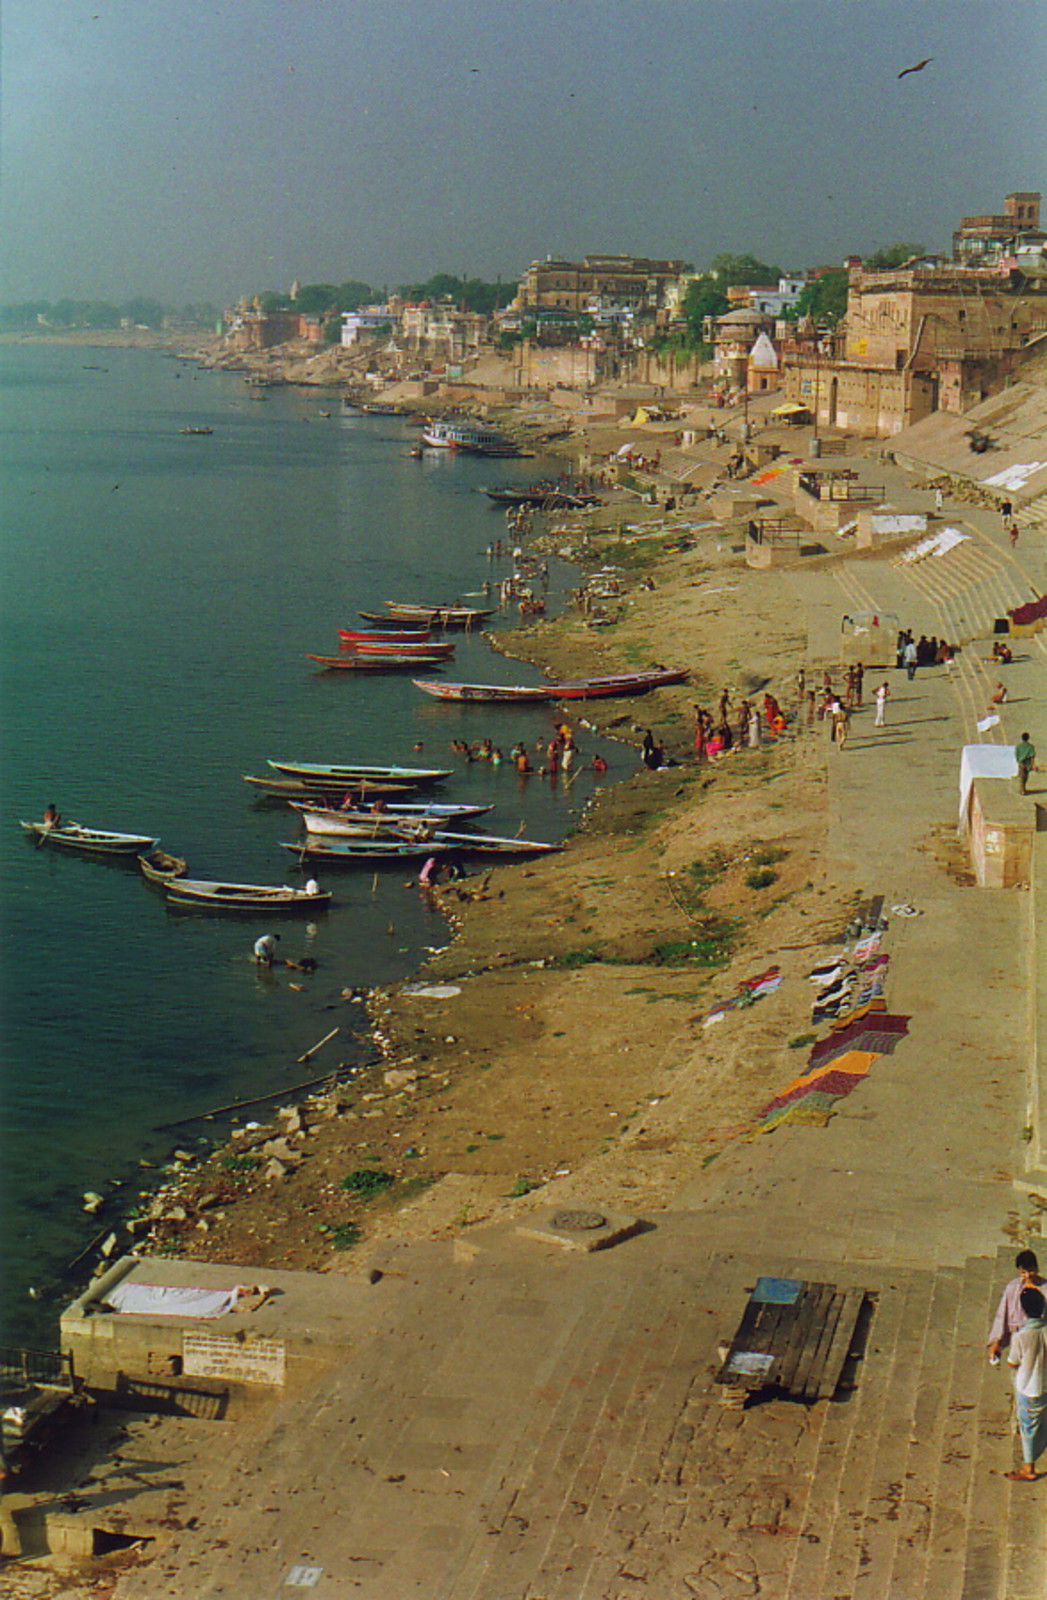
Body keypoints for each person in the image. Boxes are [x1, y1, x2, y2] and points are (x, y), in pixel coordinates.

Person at [1006, 1286, 1047, 1481]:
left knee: (1028, 1427)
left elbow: (1013, 1361)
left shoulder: (1021, 1336)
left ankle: (1028, 1468)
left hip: (1030, 1387)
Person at [989, 1250, 1043, 1361]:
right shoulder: (1013, 1287)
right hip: (1018, 1339)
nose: (1028, 1276)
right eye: (1023, 1272)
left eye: (1031, 1271)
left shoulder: (1045, 1289)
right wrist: (996, 1342)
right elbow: (1002, 1314)